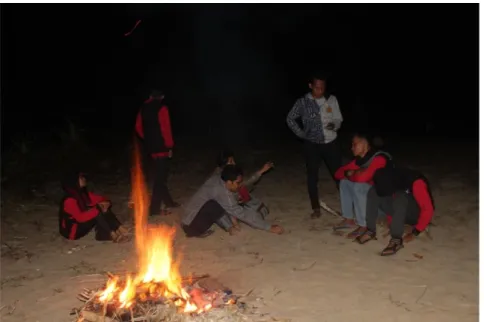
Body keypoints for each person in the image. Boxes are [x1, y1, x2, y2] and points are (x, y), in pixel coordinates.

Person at [286, 72, 343, 219]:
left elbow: (338, 118)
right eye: (317, 88)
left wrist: (334, 125)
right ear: (310, 86)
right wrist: (301, 134)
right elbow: (290, 118)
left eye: (322, 88)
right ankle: (316, 207)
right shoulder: (302, 102)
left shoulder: (331, 100)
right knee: (312, 176)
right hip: (311, 144)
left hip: (330, 142)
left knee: (339, 175)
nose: (320, 91)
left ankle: (347, 204)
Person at [181, 165, 284, 238]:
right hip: (191, 225)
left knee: (224, 205)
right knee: (217, 205)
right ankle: (197, 232)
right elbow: (240, 213)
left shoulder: (218, 178)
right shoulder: (221, 192)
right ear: (229, 182)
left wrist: (260, 172)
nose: (239, 185)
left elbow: (244, 184)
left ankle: (229, 225)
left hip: (187, 219)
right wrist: (268, 227)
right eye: (237, 183)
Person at [355, 167, 435, 256]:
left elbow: (428, 209)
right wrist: (391, 221)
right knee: (373, 191)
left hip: (415, 214)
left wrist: (415, 232)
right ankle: (370, 230)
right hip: (400, 209)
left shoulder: (416, 182)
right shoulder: (391, 179)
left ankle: (396, 239)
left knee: (400, 196)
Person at [333, 133, 392, 238]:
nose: (352, 148)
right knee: (345, 183)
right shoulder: (360, 160)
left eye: (354, 144)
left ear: (364, 144)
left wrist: (353, 173)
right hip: (373, 203)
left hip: (384, 207)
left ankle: (364, 226)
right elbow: (338, 174)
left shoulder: (380, 158)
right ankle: (349, 220)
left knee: (358, 186)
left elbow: (361, 179)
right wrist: (351, 173)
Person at [135, 89, 179, 216]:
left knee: (160, 176)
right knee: (160, 179)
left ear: (150, 96)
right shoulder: (162, 108)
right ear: (162, 96)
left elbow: (138, 127)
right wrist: (170, 146)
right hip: (162, 148)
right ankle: (154, 209)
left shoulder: (143, 108)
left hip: (150, 148)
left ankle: (169, 202)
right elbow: (166, 128)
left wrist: (147, 138)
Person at [59, 172, 129, 242]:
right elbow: (80, 218)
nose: (84, 179)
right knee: (97, 211)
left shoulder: (82, 194)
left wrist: (106, 202)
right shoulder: (69, 200)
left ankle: (119, 228)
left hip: (80, 225)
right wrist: (98, 208)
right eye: (81, 178)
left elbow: (100, 199)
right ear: (74, 182)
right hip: (72, 231)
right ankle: (111, 233)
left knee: (101, 208)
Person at [212, 149, 273, 227]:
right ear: (223, 164)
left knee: (260, 207)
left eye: (233, 161)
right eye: (231, 161)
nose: (234, 163)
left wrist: (261, 171)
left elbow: (244, 183)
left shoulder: (229, 173)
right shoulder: (218, 178)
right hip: (223, 207)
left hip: (233, 202)